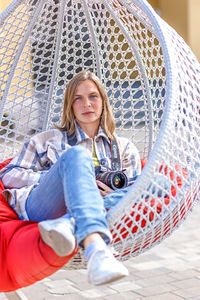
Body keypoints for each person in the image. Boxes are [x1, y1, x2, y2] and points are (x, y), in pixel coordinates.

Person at [0, 70, 141, 286]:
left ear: (103, 102)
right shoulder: (47, 140)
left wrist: (107, 192)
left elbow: (136, 191)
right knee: (76, 156)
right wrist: (63, 178)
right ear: (70, 105)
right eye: (78, 98)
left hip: (93, 208)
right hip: (43, 206)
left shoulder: (124, 148)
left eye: (93, 96)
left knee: (159, 183)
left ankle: (69, 223)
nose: (87, 104)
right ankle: (96, 250)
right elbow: (9, 176)